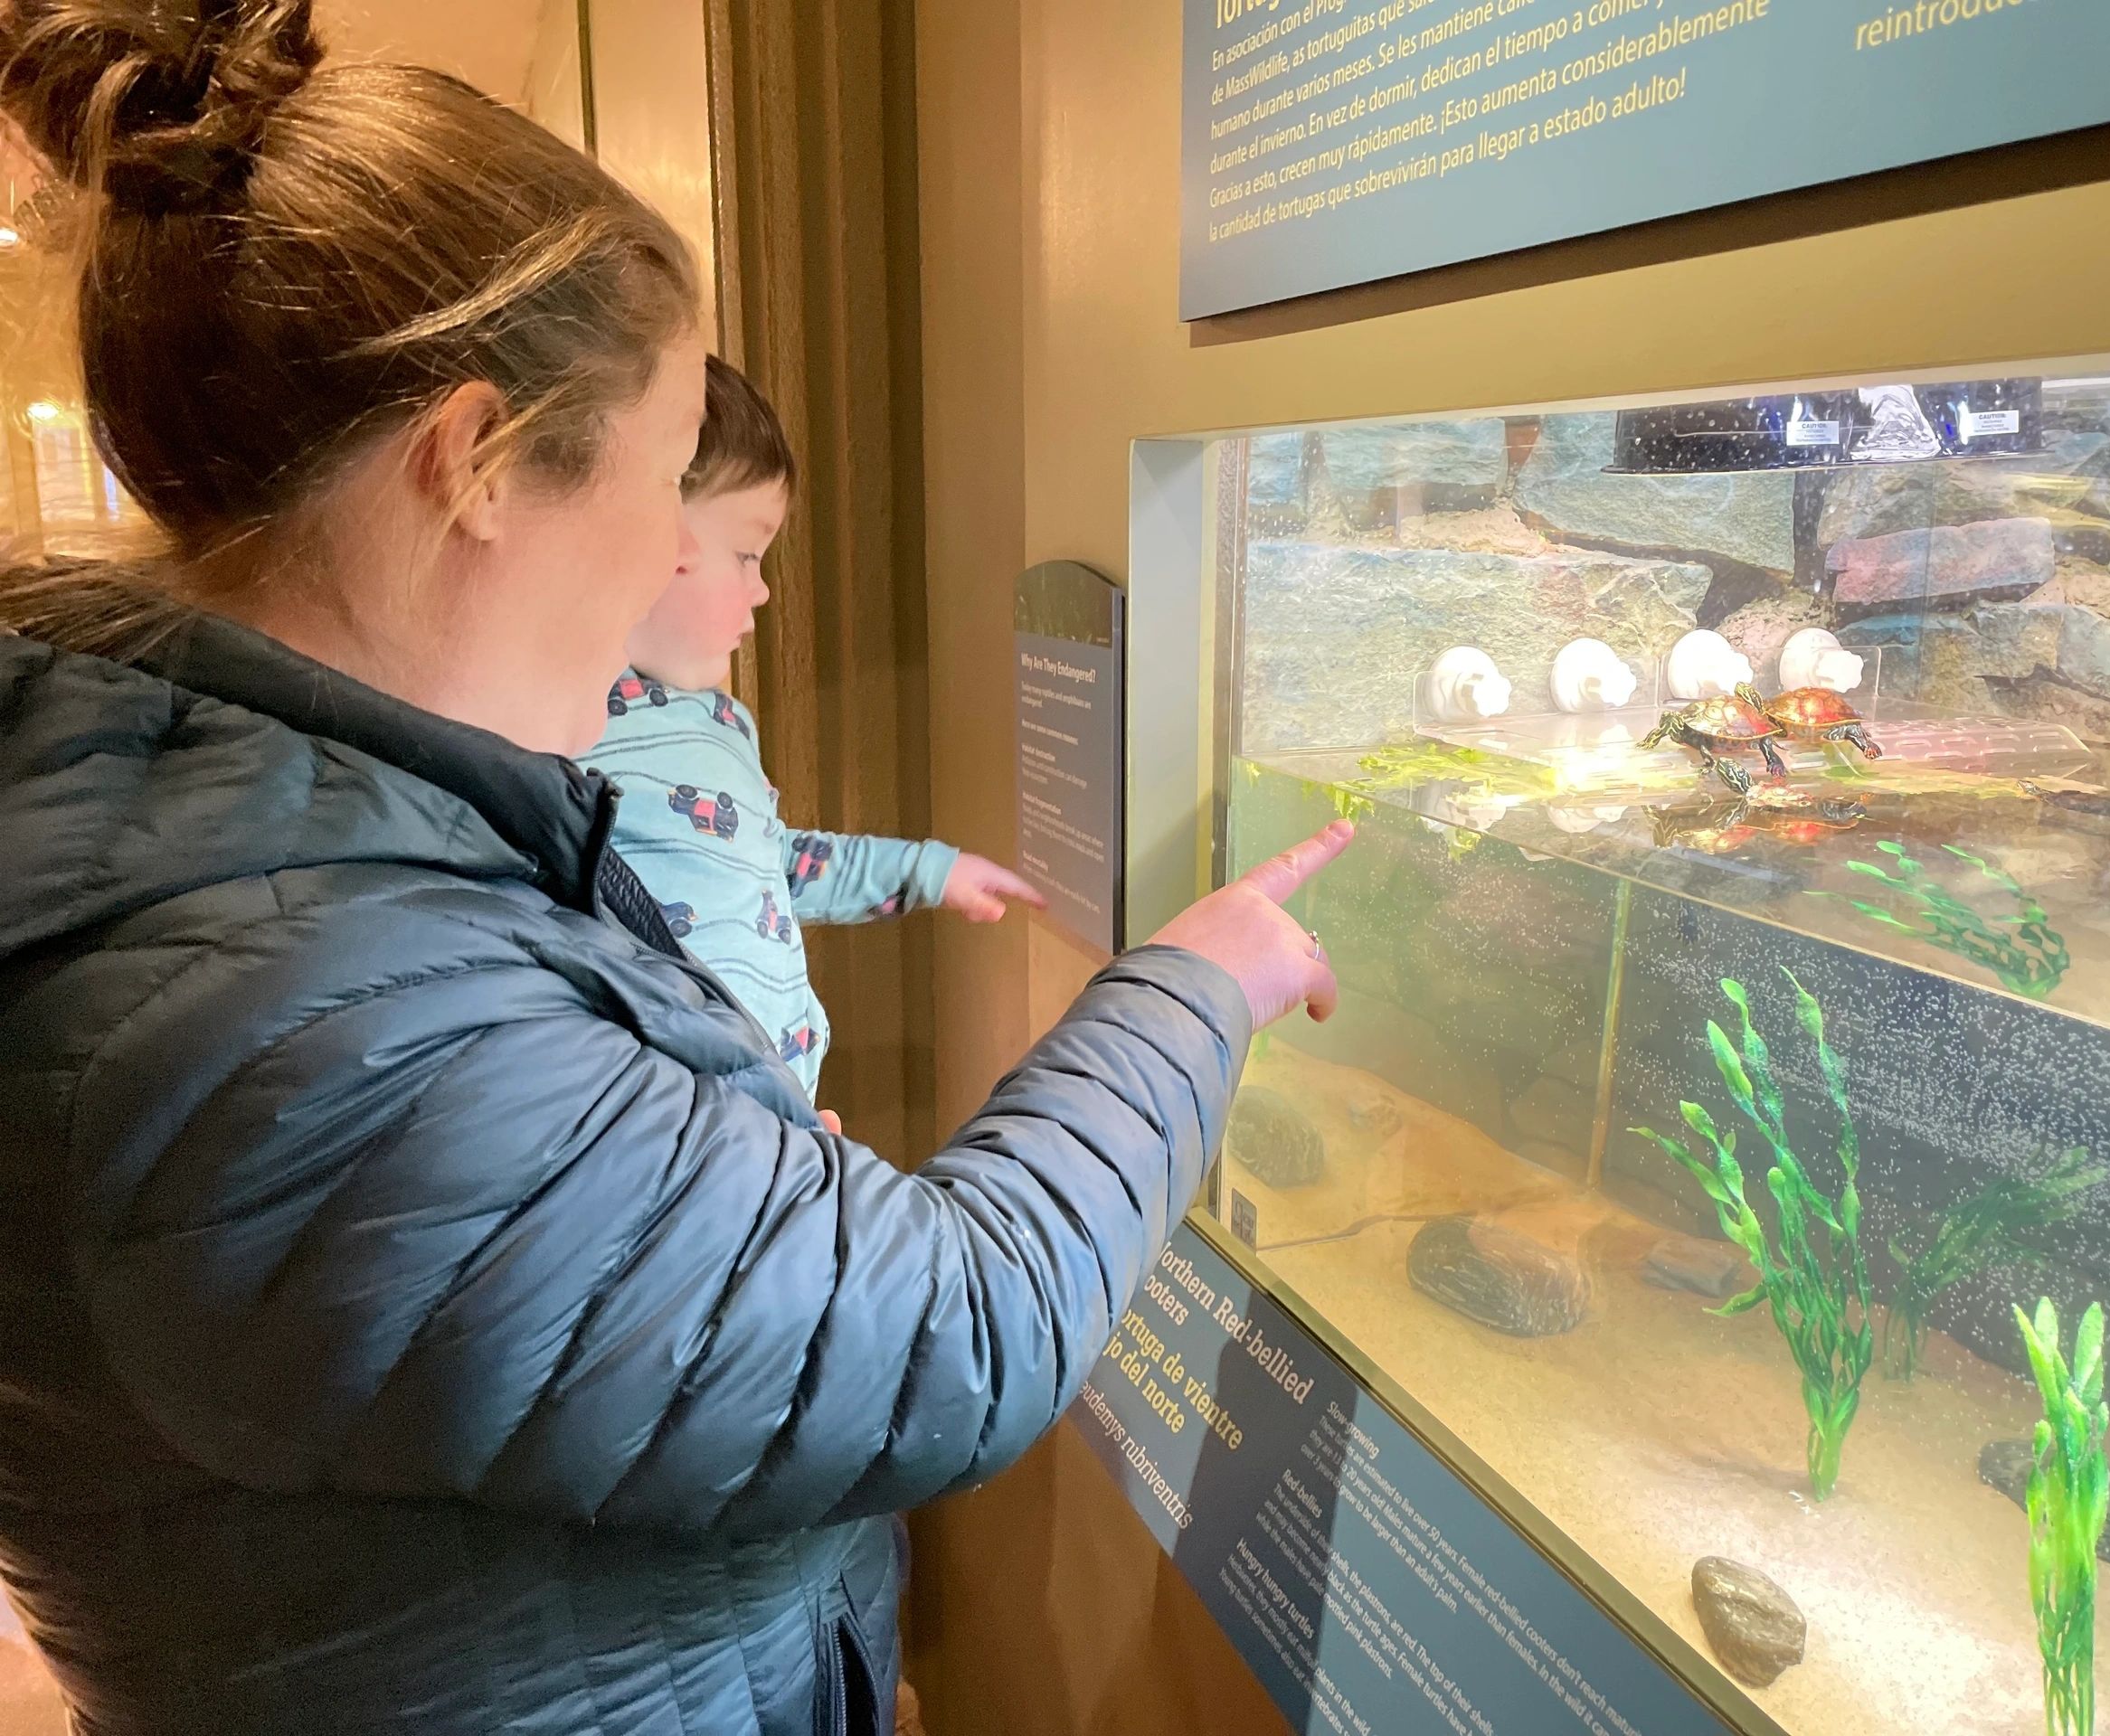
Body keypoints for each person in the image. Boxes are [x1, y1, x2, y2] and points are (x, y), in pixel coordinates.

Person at [0, 5, 1348, 1734]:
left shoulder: (277, 835)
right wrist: (1200, 982)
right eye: (658, 474)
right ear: (475, 464)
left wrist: (711, 1173)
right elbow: (960, 1332)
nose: (671, 556)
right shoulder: (284, 997)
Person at [582, 356, 1042, 1097]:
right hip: (682, 1133)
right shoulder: (547, 730)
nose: (762, 590)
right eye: (746, 555)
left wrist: (930, 871)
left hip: (779, 1112)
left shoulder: (725, 723)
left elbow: (776, 866)